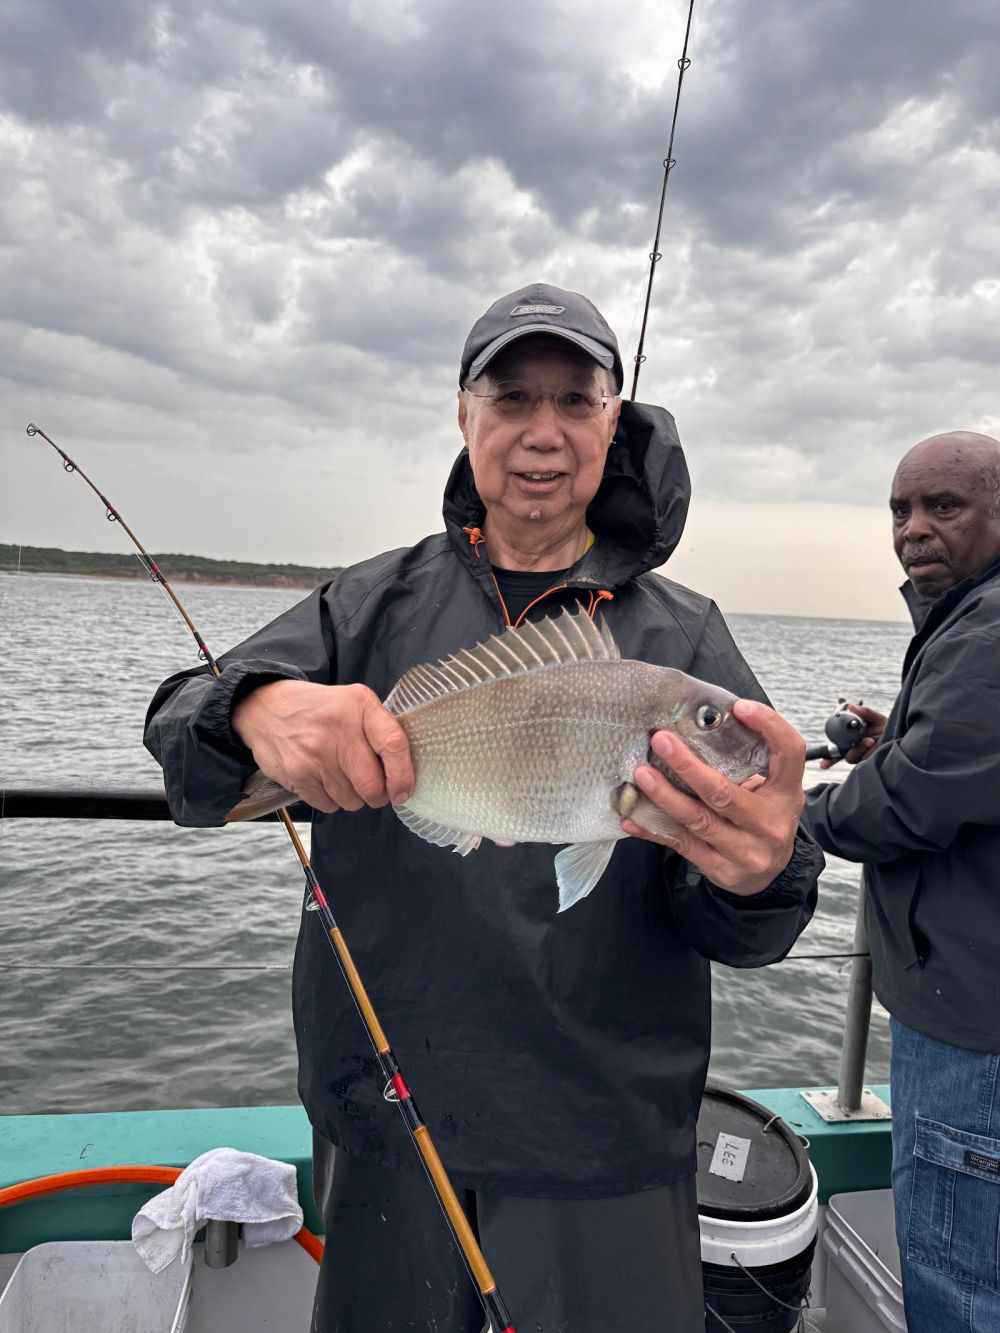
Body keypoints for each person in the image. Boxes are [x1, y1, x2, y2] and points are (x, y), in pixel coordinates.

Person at [145, 283, 822, 1332]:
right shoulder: (365, 605)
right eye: (512, 399)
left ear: (615, 420)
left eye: (575, 400)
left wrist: (762, 871)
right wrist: (254, 709)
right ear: (465, 415)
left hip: (605, 1133)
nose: (542, 432)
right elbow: (183, 744)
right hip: (388, 1113)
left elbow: (749, 916)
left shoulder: (683, 644)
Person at [804, 431, 1000, 1332]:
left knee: (962, 1286)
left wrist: (790, 811)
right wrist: (898, 744)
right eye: (900, 509)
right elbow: (952, 766)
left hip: (973, 1038)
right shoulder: (966, 620)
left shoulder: (989, 631)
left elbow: (905, 808)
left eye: (944, 506)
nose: (914, 529)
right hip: (965, 1009)